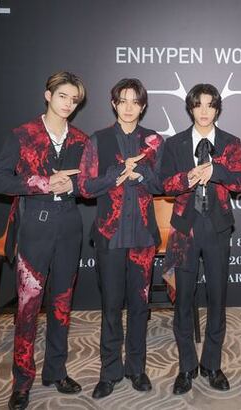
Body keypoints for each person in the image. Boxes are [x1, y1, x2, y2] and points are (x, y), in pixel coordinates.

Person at [0, 71, 88, 410]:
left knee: (61, 305)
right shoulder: (23, 134)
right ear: (48, 95)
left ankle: (56, 371)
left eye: (74, 100)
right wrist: (42, 182)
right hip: (34, 227)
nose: (68, 104)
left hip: (70, 228)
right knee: (28, 309)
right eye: (62, 96)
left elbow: (88, 184)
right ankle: (21, 382)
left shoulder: (81, 139)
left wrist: (74, 186)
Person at [78, 78, 164, 398]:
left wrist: (141, 175)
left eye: (135, 102)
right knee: (111, 306)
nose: (129, 108)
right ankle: (110, 371)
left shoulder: (154, 141)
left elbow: (163, 185)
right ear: (113, 103)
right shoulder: (97, 140)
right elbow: (84, 187)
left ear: (143, 106)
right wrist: (116, 174)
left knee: (140, 306)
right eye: (123, 101)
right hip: (109, 235)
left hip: (142, 237)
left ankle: (136, 369)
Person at [160, 83, 241, 395]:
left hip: (218, 228)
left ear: (217, 108)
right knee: (184, 299)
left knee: (217, 298)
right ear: (191, 108)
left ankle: (212, 364)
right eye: (199, 105)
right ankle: (187, 366)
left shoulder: (230, 143)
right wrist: (188, 177)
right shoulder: (175, 144)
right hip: (185, 229)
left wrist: (216, 171)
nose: (205, 111)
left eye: (210, 104)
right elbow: (164, 184)